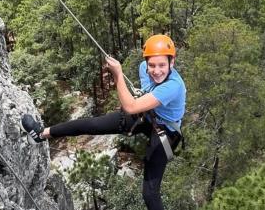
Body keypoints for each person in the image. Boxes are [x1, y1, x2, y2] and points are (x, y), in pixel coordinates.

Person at [21, 34, 186, 210]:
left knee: (150, 193)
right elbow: (142, 98)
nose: (156, 71)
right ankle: (41, 134)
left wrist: (118, 75)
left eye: (162, 65)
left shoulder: (173, 87)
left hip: (165, 131)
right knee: (93, 125)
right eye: (152, 65)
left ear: (172, 62)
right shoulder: (142, 67)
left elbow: (130, 106)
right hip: (147, 115)